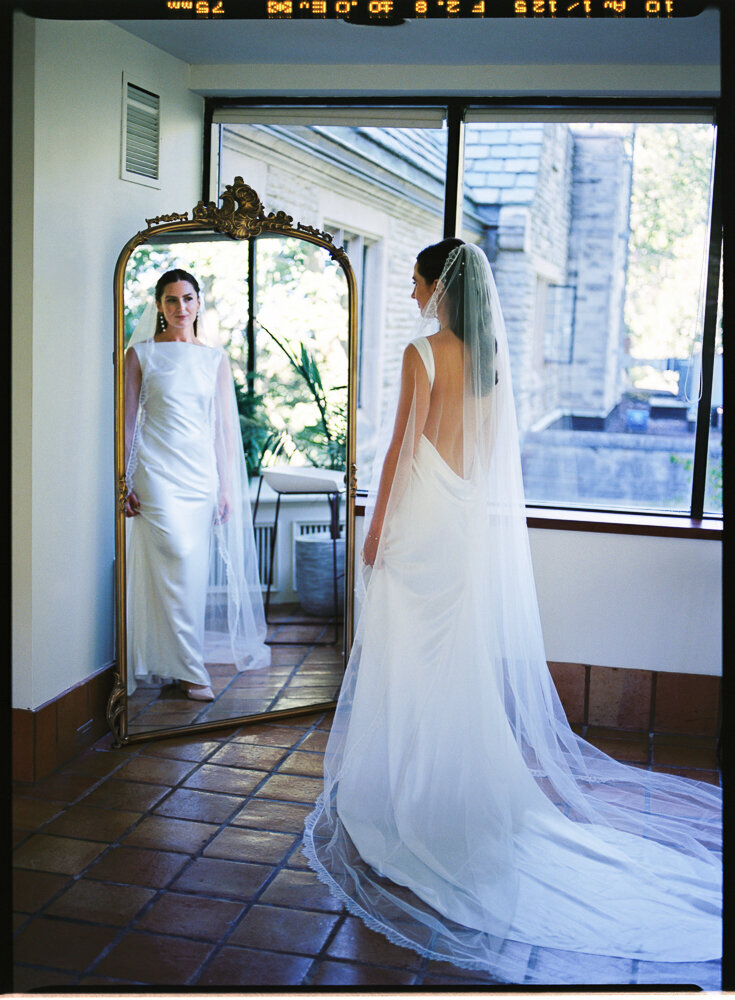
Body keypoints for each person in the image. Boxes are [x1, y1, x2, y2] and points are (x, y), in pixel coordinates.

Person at [303, 241, 721, 985]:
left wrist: (372, 531)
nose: (411, 291)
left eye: (414, 280)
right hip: (459, 527)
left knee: (403, 657)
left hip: (418, 523)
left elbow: (401, 446)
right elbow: (486, 456)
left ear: (437, 288)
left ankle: (406, 795)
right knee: (451, 661)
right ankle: (449, 790)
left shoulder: (420, 353)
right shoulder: (491, 364)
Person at [124, 268, 270, 701]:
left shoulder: (214, 359)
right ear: (158, 306)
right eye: (171, 300)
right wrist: (123, 478)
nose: (180, 308)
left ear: (199, 302)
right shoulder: (141, 354)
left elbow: (223, 430)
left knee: (189, 576)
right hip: (155, 474)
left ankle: (173, 663)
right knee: (176, 556)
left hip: (200, 476)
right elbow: (128, 422)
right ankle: (191, 671)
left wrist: (225, 487)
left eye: (187, 299)